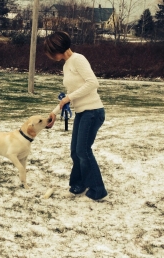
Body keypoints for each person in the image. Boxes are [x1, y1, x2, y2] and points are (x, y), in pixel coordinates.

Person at [44, 31, 107, 201]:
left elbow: (93, 83)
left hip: (93, 111)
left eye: (50, 52)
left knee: (83, 151)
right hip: (82, 112)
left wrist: (69, 97)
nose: (50, 56)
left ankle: (97, 189)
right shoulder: (66, 65)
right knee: (75, 151)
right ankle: (79, 184)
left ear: (57, 49)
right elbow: (71, 94)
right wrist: (54, 112)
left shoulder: (78, 59)